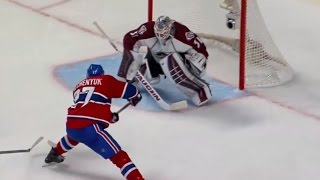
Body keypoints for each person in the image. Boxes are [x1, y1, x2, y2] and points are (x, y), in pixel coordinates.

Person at [44, 64, 144, 180]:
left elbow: (88, 108)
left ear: (87, 76)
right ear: (101, 74)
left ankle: (54, 153)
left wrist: (110, 117)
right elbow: (128, 90)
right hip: (90, 127)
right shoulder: (106, 80)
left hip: (71, 124)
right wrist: (135, 95)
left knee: (74, 136)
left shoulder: (78, 86)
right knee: (119, 157)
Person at [117, 15, 212, 106]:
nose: (159, 36)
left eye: (162, 33)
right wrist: (131, 60)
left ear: (171, 29)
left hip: (176, 63)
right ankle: (136, 80)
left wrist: (200, 59)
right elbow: (129, 38)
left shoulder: (182, 34)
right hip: (154, 61)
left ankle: (200, 91)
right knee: (136, 75)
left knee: (169, 61)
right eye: (157, 33)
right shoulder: (147, 30)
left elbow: (201, 49)